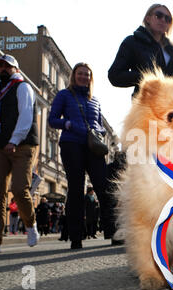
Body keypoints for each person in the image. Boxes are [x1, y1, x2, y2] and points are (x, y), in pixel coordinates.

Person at [48, 62, 117, 249]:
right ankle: (76, 237)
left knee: (104, 187)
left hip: (93, 147)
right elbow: (52, 119)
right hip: (71, 144)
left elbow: (100, 123)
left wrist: (99, 131)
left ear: (90, 78)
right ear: (74, 76)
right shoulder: (64, 95)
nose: (84, 77)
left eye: (87, 74)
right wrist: (68, 125)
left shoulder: (94, 99)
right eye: (80, 74)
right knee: (76, 189)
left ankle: (113, 232)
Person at [0, 54, 40, 254]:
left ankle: (30, 225)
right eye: (0, 66)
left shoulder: (23, 87)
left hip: (23, 145)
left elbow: (26, 115)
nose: (3, 69)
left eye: (7, 66)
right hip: (2, 147)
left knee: (20, 190)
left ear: (16, 70)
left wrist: (14, 140)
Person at [108, 3, 173, 96]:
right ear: (148, 19)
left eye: (168, 19)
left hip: (170, 105)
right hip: (145, 104)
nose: (163, 20)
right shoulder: (133, 41)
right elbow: (115, 75)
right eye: (159, 15)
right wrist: (145, 78)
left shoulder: (170, 50)